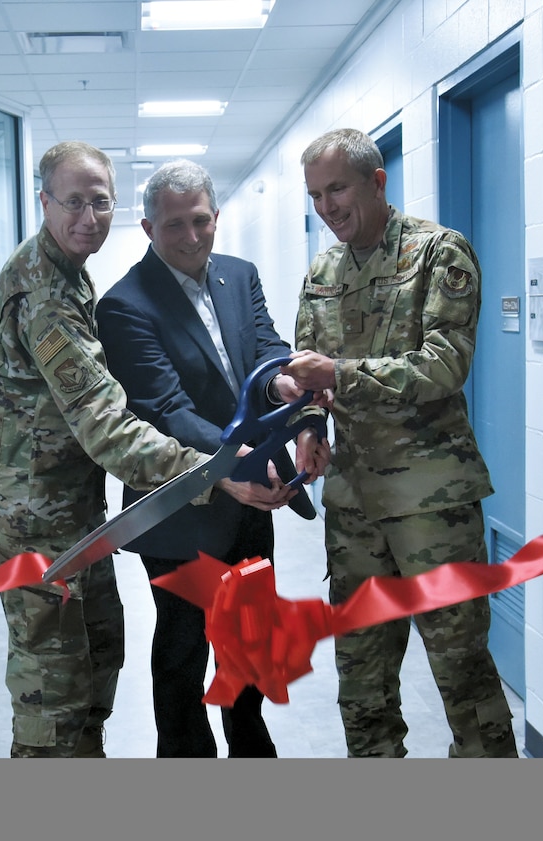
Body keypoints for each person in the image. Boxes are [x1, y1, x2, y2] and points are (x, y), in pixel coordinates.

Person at [0, 141, 290, 758]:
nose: (88, 218)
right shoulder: (49, 298)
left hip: (74, 510)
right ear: (44, 202)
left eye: (99, 202)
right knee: (53, 692)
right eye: (72, 202)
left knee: (97, 663)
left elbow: (266, 351)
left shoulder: (70, 275)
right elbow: (113, 425)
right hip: (34, 517)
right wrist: (217, 471)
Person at [280, 128, 518, 758]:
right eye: (315, 195)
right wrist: (308, 424)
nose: (327, 207)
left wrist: (341, 375)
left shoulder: (440, 254)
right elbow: (308, 374)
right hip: (355, 506)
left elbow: (444, 366)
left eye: (338, 188)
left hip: (430, 502)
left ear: (377, 181)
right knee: (362, 683)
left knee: (461, 673)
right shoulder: (321, 273)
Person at [96, 159, 328, 757]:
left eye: (201, 220)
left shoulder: (237, 275)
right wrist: (236, 465)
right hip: (183, 512)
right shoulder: (126, 304)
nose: (192, 236)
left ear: (216, 217)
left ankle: (251, 752)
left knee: (250, 641)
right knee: (183, 652)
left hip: (253, 502)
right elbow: (165, 408)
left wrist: (282, 382)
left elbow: (268, 344)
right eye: (175, 225)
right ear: (149, 229)